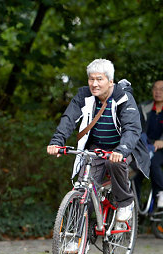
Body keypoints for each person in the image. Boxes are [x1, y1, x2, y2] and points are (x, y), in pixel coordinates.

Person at [47, 59, 150, 230]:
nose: (94, 84)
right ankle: (75, 235)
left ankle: (125, 202)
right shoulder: (84, 96)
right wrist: (57, 141)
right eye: (91, 79)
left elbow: (132, 129)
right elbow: (68, 119)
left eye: (99, 79)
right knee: (82, 186)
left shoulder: (124, 98)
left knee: (114, 162)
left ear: (110, 81)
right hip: (97, 148)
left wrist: (121, 150)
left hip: (125, 148)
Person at [139, 80, 163, 207]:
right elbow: (137, 128)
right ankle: (133, 205)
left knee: (153, 163)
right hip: (145, 146)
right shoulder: (144, 107)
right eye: (155, 89)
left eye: (161, 89)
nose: (158, 92)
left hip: (161, 149)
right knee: (135, 170)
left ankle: (160, 193)